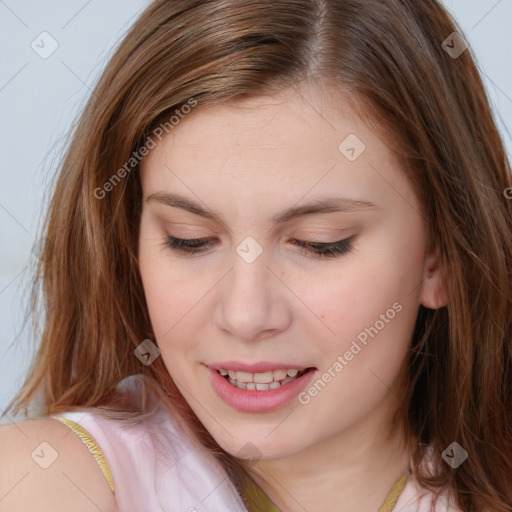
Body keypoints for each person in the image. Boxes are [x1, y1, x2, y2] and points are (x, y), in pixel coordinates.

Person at [1, 0, 511, 511]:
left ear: (439, 258)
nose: (244, 316)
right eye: (188, 239)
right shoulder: (43, 482)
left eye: (320, 243)